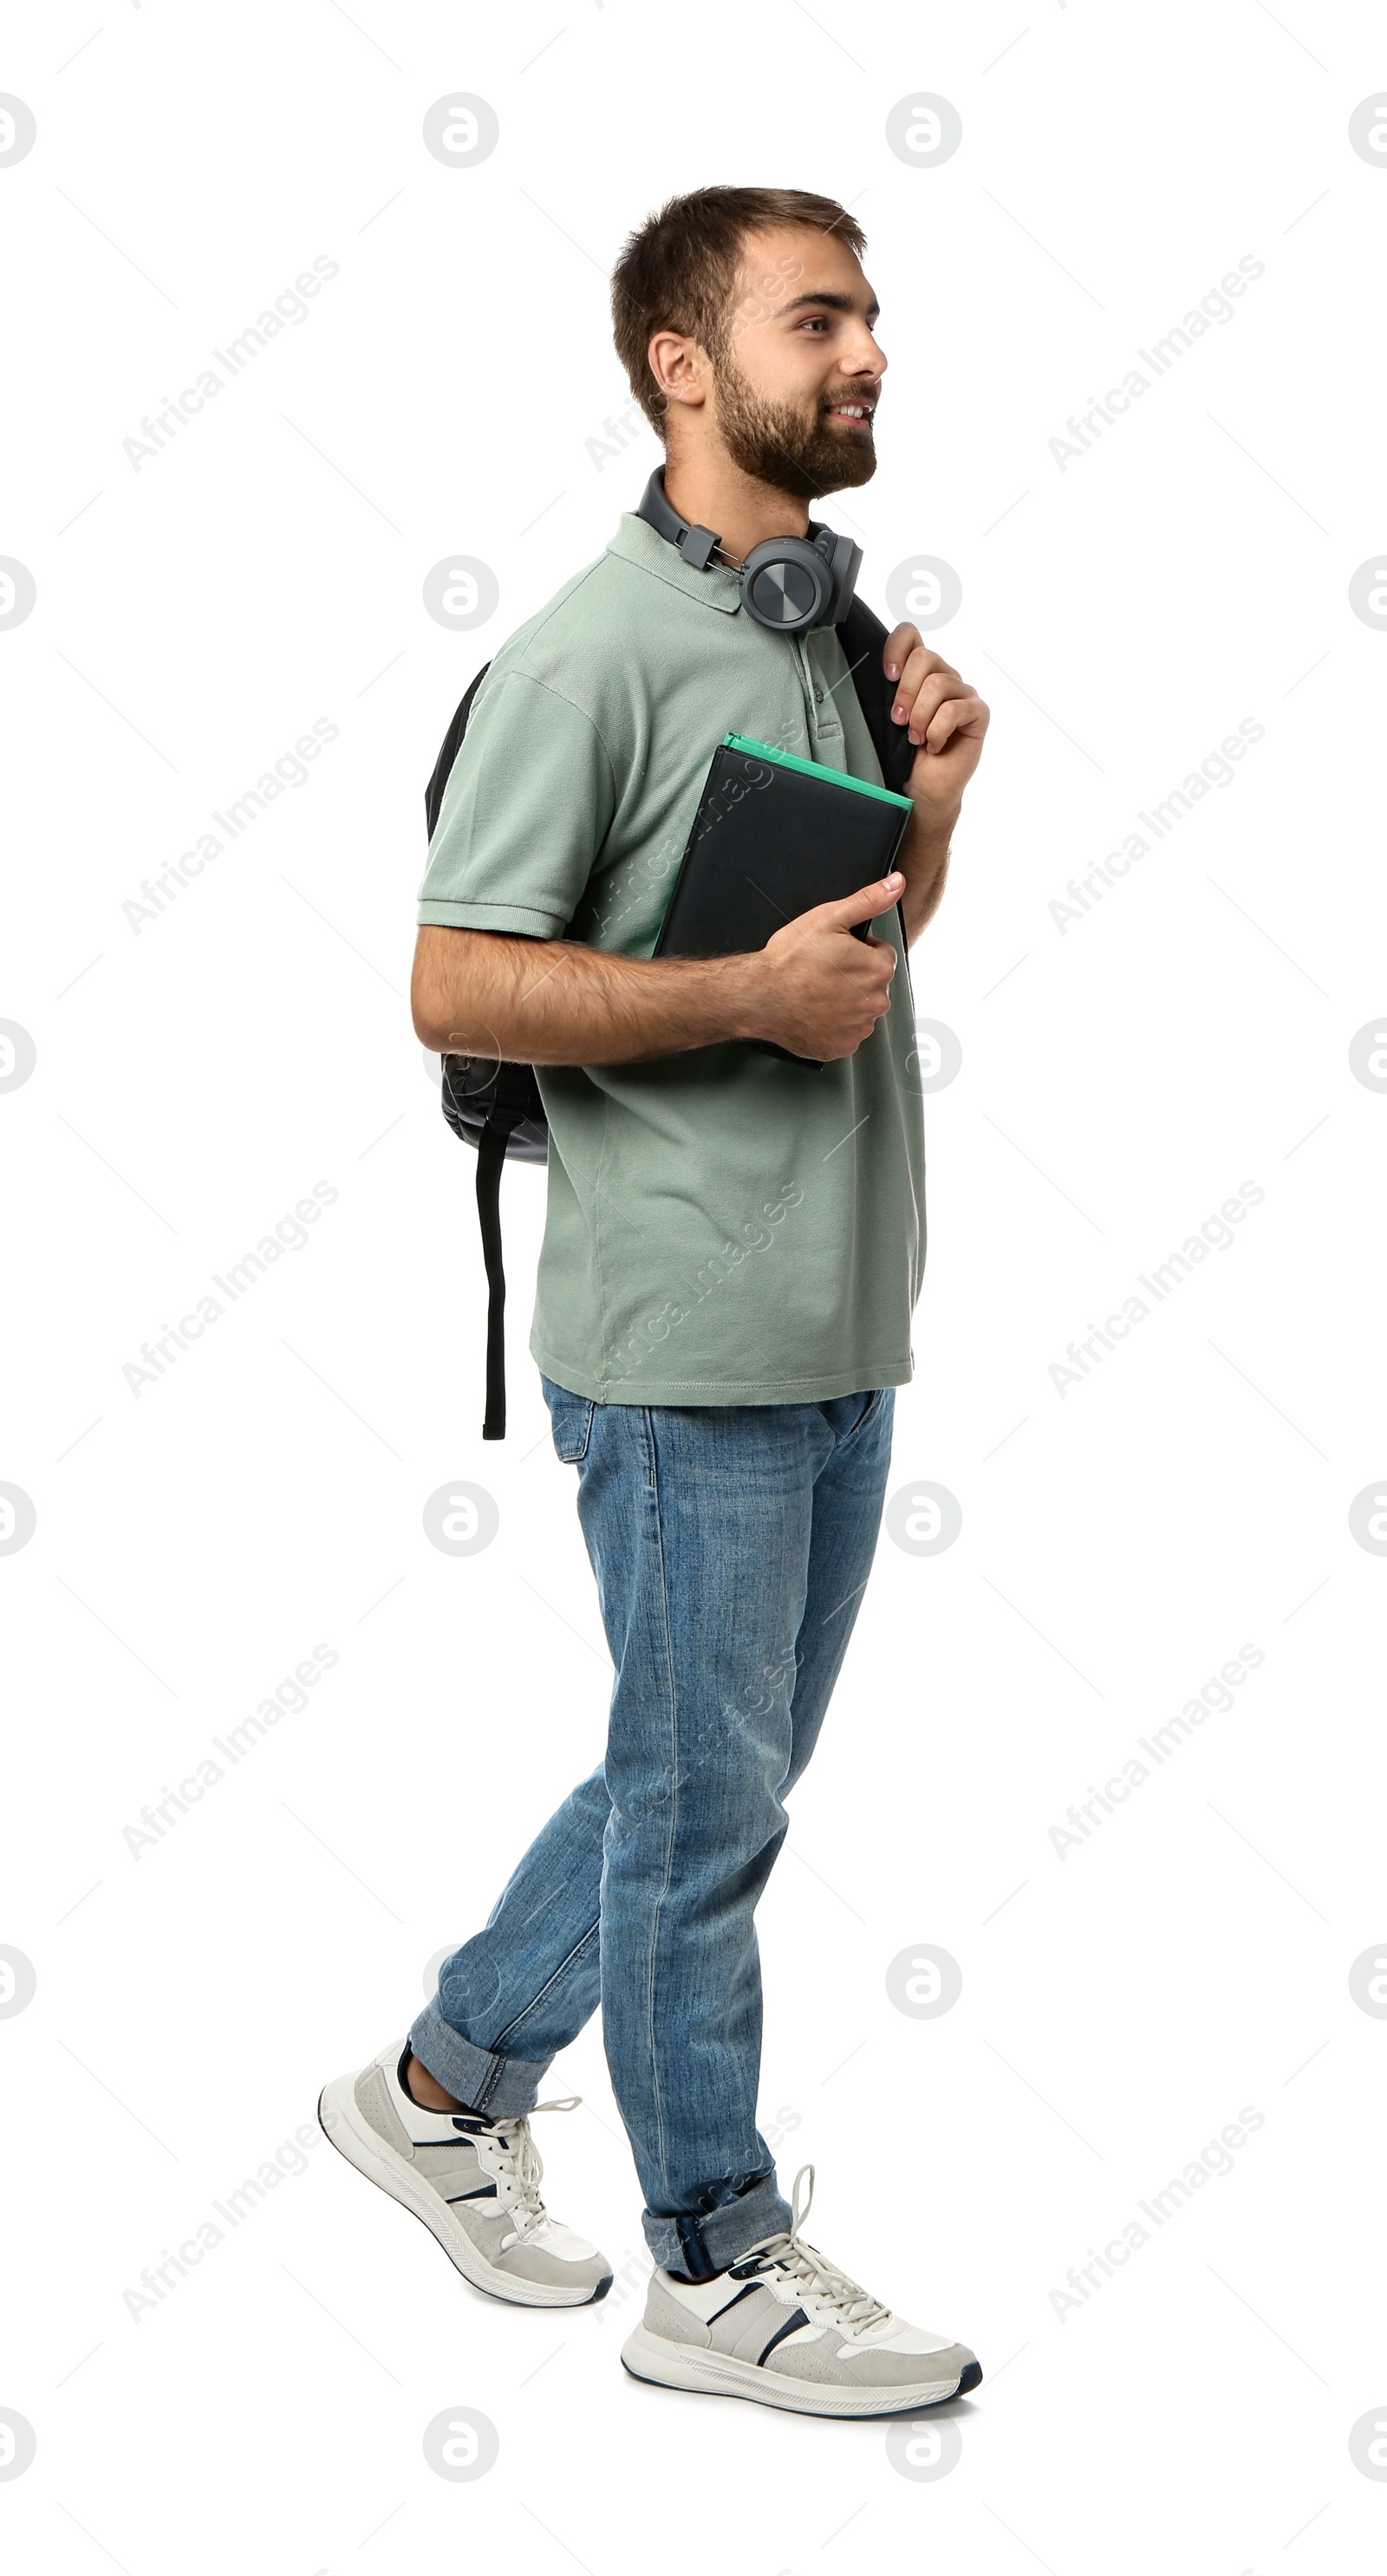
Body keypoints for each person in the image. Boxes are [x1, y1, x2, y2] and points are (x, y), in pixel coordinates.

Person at [321, 184, 990, 2419]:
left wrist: (933, 802)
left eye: (875, 312)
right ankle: (717, 2256)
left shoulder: (817, 625)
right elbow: (448, 973)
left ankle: (439, 2085)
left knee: (700, 1774)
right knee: (708, 1810)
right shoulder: (594, 652)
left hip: (832, 1314)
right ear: (683, 368)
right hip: (687, 1339)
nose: (871, 349)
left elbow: (850, 975)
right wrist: (729, 989)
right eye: (824, 318)